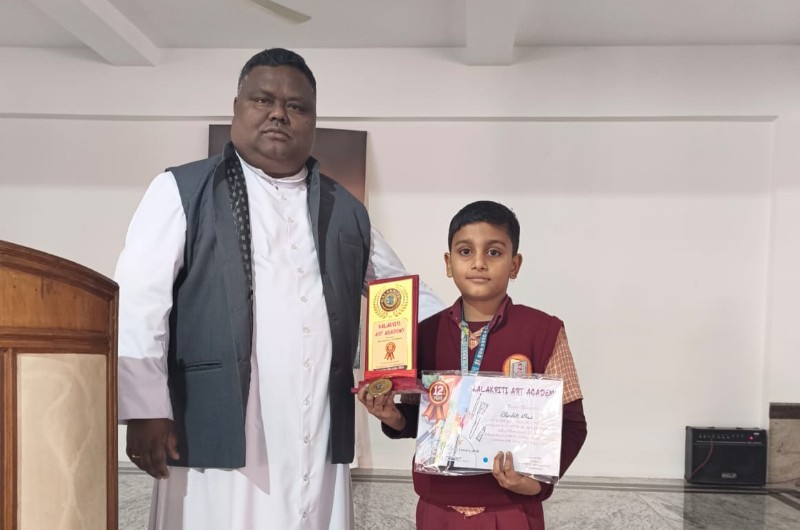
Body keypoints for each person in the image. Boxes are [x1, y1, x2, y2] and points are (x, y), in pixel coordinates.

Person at [115, 48, 442, 530]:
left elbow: (400, 295)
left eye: (296, 106)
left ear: (313, 120)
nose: (278, 114)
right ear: (236, 108)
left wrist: (477, 338)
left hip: (318, 429)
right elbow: (139, 302)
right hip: (217, 427)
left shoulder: (345, 209)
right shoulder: (181, 190)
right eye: (263, 100)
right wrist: (144, 409)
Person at [358, 200, 587, 530]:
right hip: (437, 508)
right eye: (465, 252)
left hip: (512, 508)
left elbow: (573, 424)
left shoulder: (544, 331)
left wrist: (536, 485)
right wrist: (392, 416)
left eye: (494, 252)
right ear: (449, 263)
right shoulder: (423, 333)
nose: (479, 263)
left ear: (515, 265)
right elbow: (417, 419)